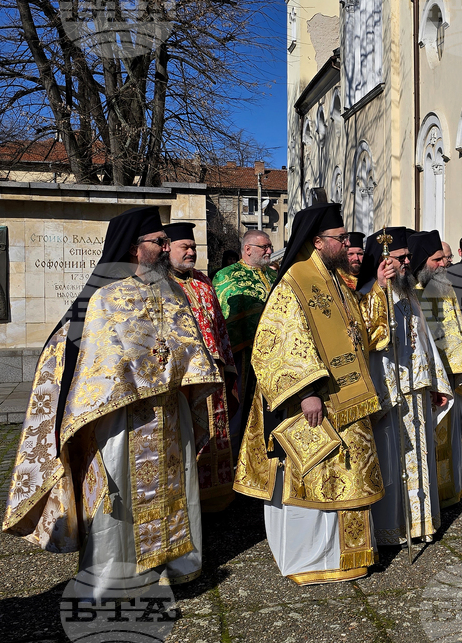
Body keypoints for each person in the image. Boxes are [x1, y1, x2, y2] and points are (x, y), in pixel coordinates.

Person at [3, 206, 220, 591]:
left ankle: (174, 565)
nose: (165, 247)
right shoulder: (105, 298)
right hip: (121, 416)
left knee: (177, 485)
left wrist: (189, 378)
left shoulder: (171, 293)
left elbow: (186, 347)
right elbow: (92, 364)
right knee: (119, 499)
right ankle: (118, 577)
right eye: (159, 242)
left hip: (169, 412)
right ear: (136, 248)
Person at [233, 204, 394, 584]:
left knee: (350, 474)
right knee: (319, 475)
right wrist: (305, 391)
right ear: (318, 242)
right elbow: (275, 343)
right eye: (341, 239)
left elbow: (360, 335)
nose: (347, 244)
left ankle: (349, 555)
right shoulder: (295, 282)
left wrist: (380, 293)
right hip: (316, 402)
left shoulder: (336, 280)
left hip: (349, 398)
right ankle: (313, 558)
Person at [358, 227, 453, 545]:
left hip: (418, 389)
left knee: (420, 459)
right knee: (392, 461)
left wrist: (436, 382)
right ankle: (392, 529)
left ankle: (421, 523)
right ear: (384, 260)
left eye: (409, 256)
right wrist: (380, 291)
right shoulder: (368, 295)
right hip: (391, 394)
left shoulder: (410, 290)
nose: (409, 261)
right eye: (402, 257)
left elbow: (424, 341)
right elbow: (370, 346)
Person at [166, 222, 238, 512]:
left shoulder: (204, 282)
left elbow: (219, 327)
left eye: (193, 247)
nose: (191, 252)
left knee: (217, 435)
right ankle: (188, 504)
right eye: (185, 247)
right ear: (167, 248)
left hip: (215, 375)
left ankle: (216, 501)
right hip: (184, 381)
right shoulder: (160, 284)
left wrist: (229, 367)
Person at [411, 230, 462, 508]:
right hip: (429, 380)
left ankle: (450, 492)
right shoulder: (413, 295)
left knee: (450, 441)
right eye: (437, 259)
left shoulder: (444, 288)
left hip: (451, 373)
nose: (443, 264)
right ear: (421, 262)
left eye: (444, 259)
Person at [213, 229, 276, 446]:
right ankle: (237, 453)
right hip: (242, 355)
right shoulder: (226, 276)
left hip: (273, 355)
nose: (269, 251)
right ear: (247, 249)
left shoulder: (274, 276)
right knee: (241, 409)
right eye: (264, 247)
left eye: (270, 247)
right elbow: (223, 318)